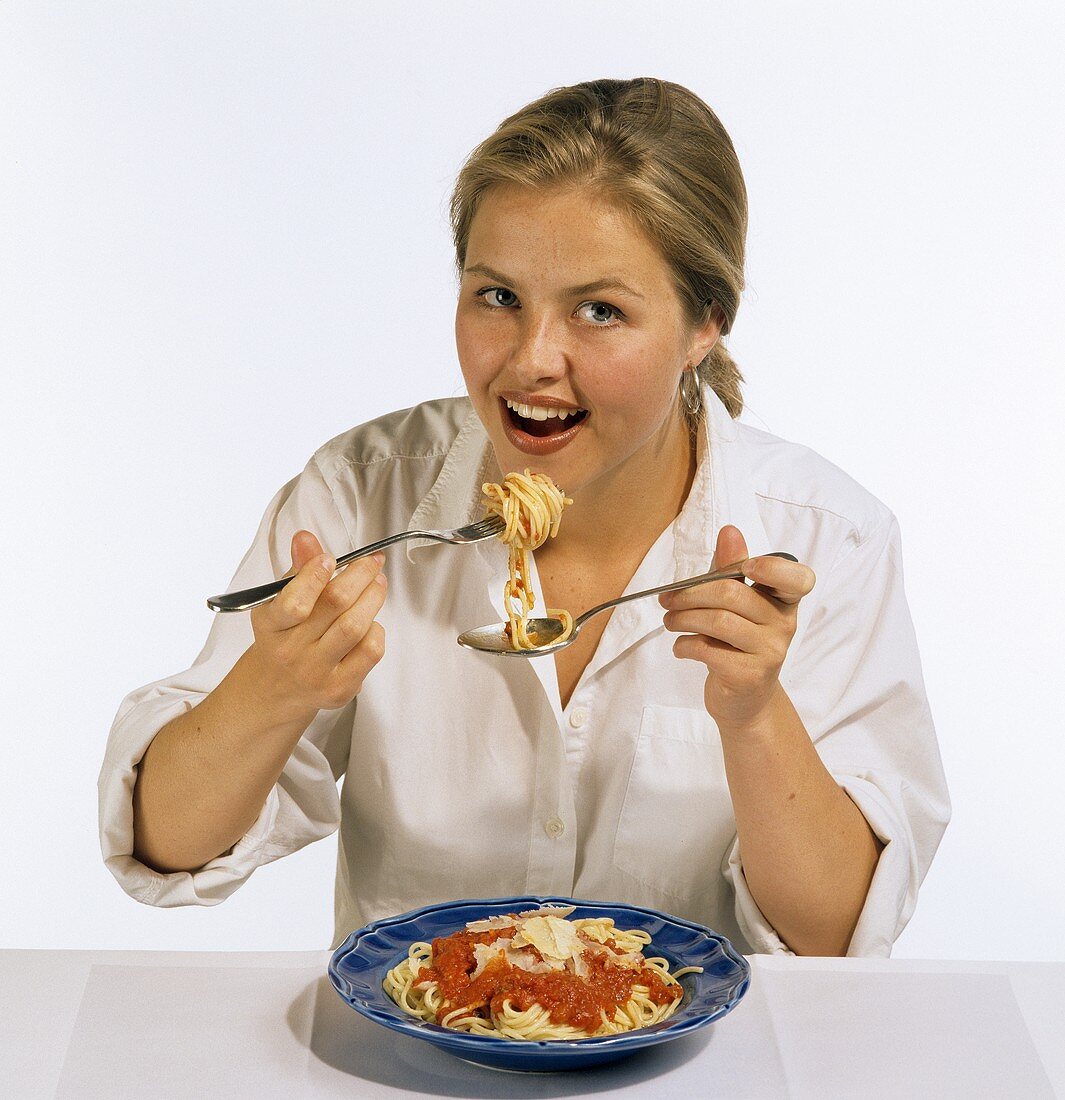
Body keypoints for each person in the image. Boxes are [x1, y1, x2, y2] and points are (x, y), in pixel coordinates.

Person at [99, 77, 949, 957]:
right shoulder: (361, 495)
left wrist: (753, 713)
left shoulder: (824, 538)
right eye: (497, 297)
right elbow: (169, 849)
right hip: (422, 1066)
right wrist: (270, 688)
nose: (531, 362)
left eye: (599, 311)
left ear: (705, 324)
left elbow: (837, 939)